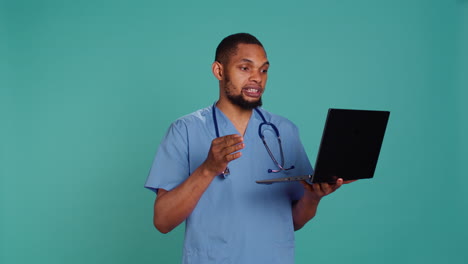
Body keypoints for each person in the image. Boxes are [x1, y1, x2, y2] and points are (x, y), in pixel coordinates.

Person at [145, 33, 350, 264]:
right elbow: (162, 221)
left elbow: (292, 221)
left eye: (263, 70)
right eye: (245, 68)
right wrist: (208, 169)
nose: (257, 78)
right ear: (219, 71)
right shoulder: (185, 131)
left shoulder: (284, 131)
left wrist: (313, 198)